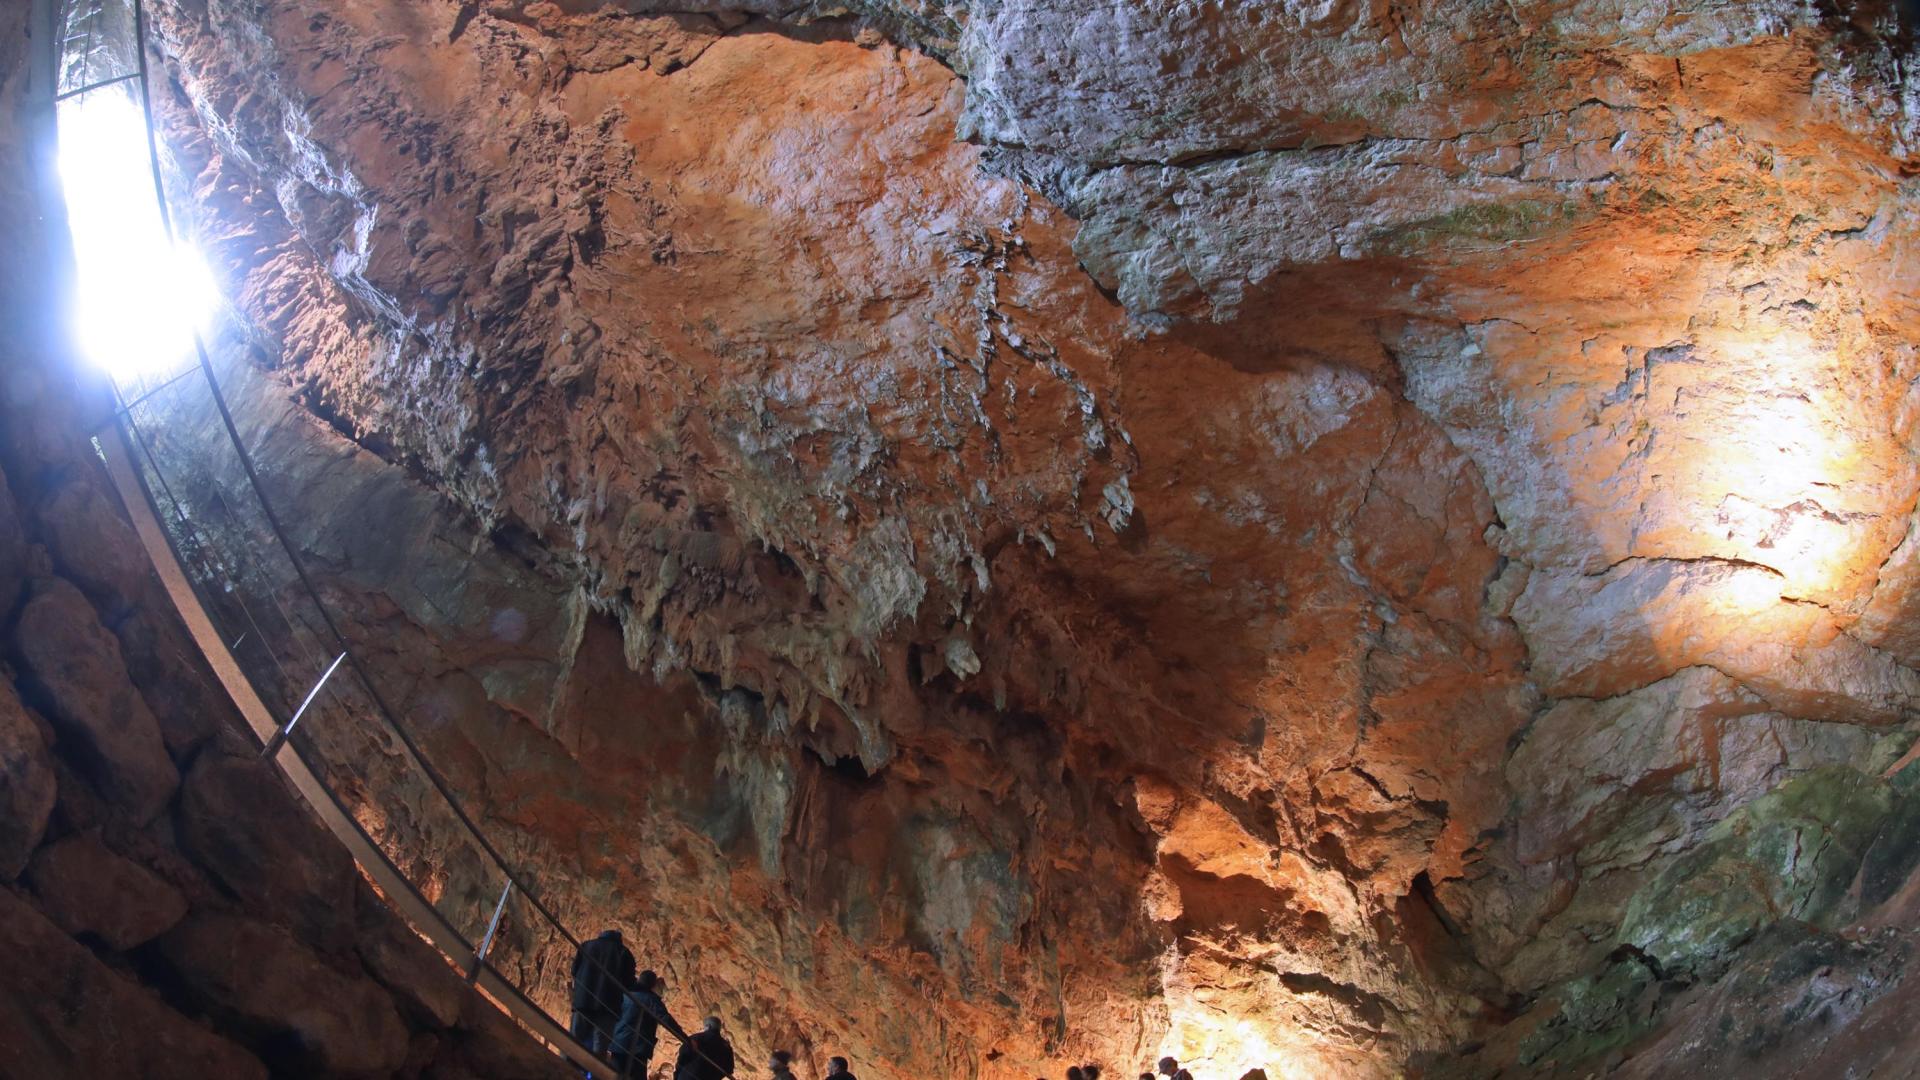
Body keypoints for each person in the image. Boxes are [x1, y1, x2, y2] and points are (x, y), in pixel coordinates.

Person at [612, 969, 688, 1078]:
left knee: (613, 1074)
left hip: (618, 1042)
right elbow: (666, 1019)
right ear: (652, 985)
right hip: (637, 1046)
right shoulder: (651, 1000)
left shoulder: (625, 994)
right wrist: (685, 1039)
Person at [570, 929, 636, 1054]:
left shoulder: (586, 946)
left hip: (583, 1001)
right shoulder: (623, 952)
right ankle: (593, 1071)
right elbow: (628, 983)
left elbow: (574, 970)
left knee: (575, 1039)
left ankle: (566, 1065)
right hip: (608, 1006)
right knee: (599, 1047)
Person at [674, 1016, 735, 1080]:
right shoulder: (726, 1047)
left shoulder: (695, 1038)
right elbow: (729, 1069)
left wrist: (676, 1075)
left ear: (708, 1026)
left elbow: (683, 1057)